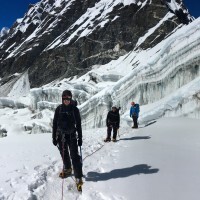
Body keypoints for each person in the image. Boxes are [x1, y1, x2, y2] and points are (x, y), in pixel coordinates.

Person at [52, 90, 83, 185]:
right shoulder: (59, 109)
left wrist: (80, 138)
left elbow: (78, 124)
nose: (66, 101)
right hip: (61, 136)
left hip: (72, 136)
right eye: (64, 99)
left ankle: (78, 177)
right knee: (64, 154)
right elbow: (55, 124)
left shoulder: (75, 110)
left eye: (68, 99)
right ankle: (68, 168)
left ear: (71, 99)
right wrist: (54, 137)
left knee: (74, 156)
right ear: (62, 99)